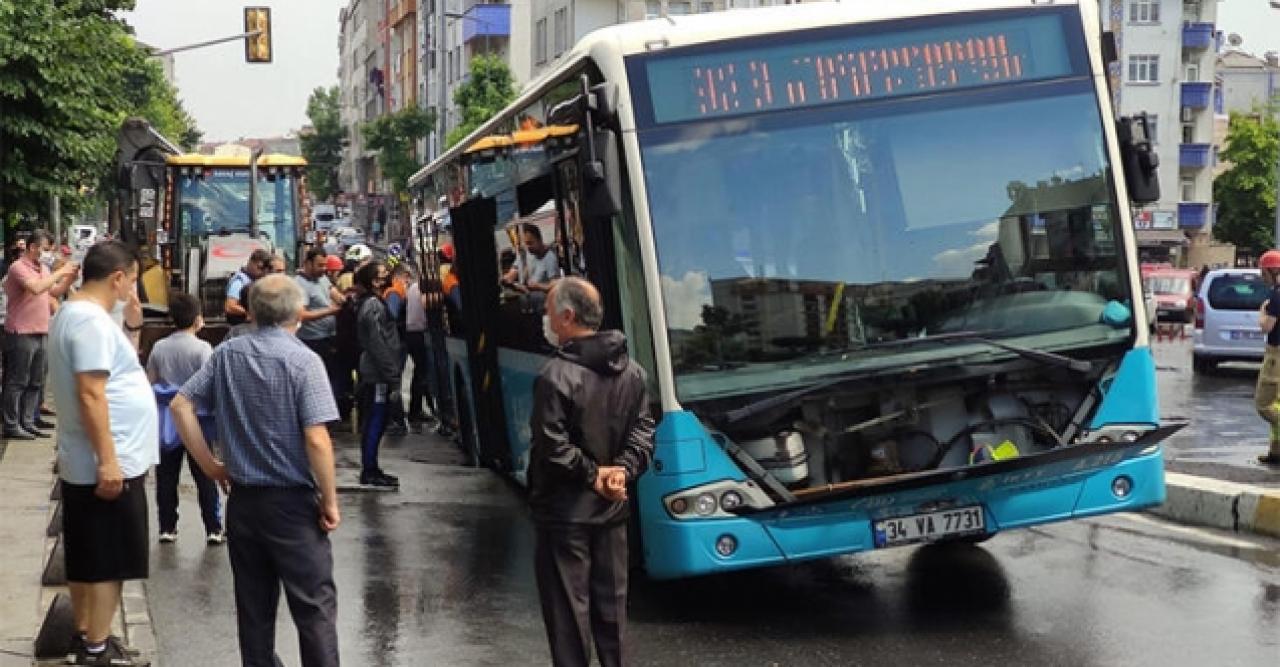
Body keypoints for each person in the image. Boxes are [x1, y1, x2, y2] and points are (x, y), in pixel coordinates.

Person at [170, 274, 341, 667]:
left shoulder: (227, 354)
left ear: (251, 311)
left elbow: (181, 405)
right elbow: (317, 439)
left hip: (244, 501)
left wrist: (211, 466)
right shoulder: (304, 361)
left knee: (254, 608)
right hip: (293, 503)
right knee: (313, 607)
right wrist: (330, 500)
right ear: (299, 312)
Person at [529, 277, 655, 667]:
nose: (546, 320)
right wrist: (620, 472)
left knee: (569, 622)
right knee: (613, 616)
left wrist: (594, 475)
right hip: (612, 511)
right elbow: (644, 431)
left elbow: (552, 446)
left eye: (549, 312)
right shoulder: (633, 372)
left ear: (567, 316)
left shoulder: (554, 376)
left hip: (564, 515)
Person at [48, 241, 158, 666]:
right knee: (109, 561)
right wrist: (109, 461)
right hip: (108, 460)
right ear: (117, 278)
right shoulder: (90, 322)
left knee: (87, 555)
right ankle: (97, 647)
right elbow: (92, 393)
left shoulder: (75, 313)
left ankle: (87, 635)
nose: (132, 289)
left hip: (88, 457)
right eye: (132, 281)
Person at [146, 292, 223, 545]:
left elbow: (151, 381)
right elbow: (210, 383)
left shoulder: (159, 347)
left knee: (167, 476)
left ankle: (167, 526)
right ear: (198, 319)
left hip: (168, 419)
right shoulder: (203, 348)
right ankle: (213, 528)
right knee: (204, 474)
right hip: (197, 418)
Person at [4, 230, 78, 439]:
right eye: (45, 249)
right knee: (17, 380)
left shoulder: (43, 269)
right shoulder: (18, 267)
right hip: (21, 331)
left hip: (41, 329)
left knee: (36, 380)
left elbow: (52, 291)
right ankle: (12, 424)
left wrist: (68, 279)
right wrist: (60, 272)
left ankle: (28, 421)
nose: (47, 254)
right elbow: (36, 288)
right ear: (32, 247)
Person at [354, 262, 401, 487]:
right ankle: (370, 470)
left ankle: (371, 467)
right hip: (377, 374)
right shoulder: (373, 306)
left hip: (378, 372)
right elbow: (378, 343)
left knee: (377, 420)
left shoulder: (373, 303)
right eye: (382, 274)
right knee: (375, 420)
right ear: (373, 282)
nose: (387, 276)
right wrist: (392, 375)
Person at [295, 248, 346, 418]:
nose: (323, 269)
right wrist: (330, 311)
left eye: (325, 265)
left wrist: (343, 299)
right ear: (307, 263)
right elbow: (301, 315)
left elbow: (333, 293)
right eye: (319, 265)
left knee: (335, 376)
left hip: (330, 337)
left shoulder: (322, 278)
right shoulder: (300, 285)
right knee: (320, 380)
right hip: (313, 340)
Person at [1255, 249, 1280, 466]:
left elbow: (1266, 326)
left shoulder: (1277, 295)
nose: (1262, 276)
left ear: (1273, 271)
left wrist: (1262, 312)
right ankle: (1276, 452)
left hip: (1275, 355)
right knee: (1277, 403)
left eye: (1263, 272)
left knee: (1264, 404)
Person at [404, 275, 438, 428]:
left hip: (412, 333)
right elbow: (426, 304)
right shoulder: (422, 289)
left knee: (419, 373)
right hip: (419, 334)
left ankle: (416, 409)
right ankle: (418, 410)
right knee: (422, 373)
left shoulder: (413, 287)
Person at [503, 223, 561, 293]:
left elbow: (555, 286)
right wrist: (507, 280)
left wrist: (539, 287)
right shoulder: (525, 254)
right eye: (525, 244)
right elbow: (513, 272)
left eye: (530, 243)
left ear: (540, 240)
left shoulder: (550, 258)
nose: (527, 247)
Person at [224, 249, 272, 325]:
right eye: (259, 267)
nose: (261, 272)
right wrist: (249, 313)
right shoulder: (239, 281)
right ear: (251, 262)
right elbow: (230, 307)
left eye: (264, 270)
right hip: (241, 325)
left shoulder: (254, 279)